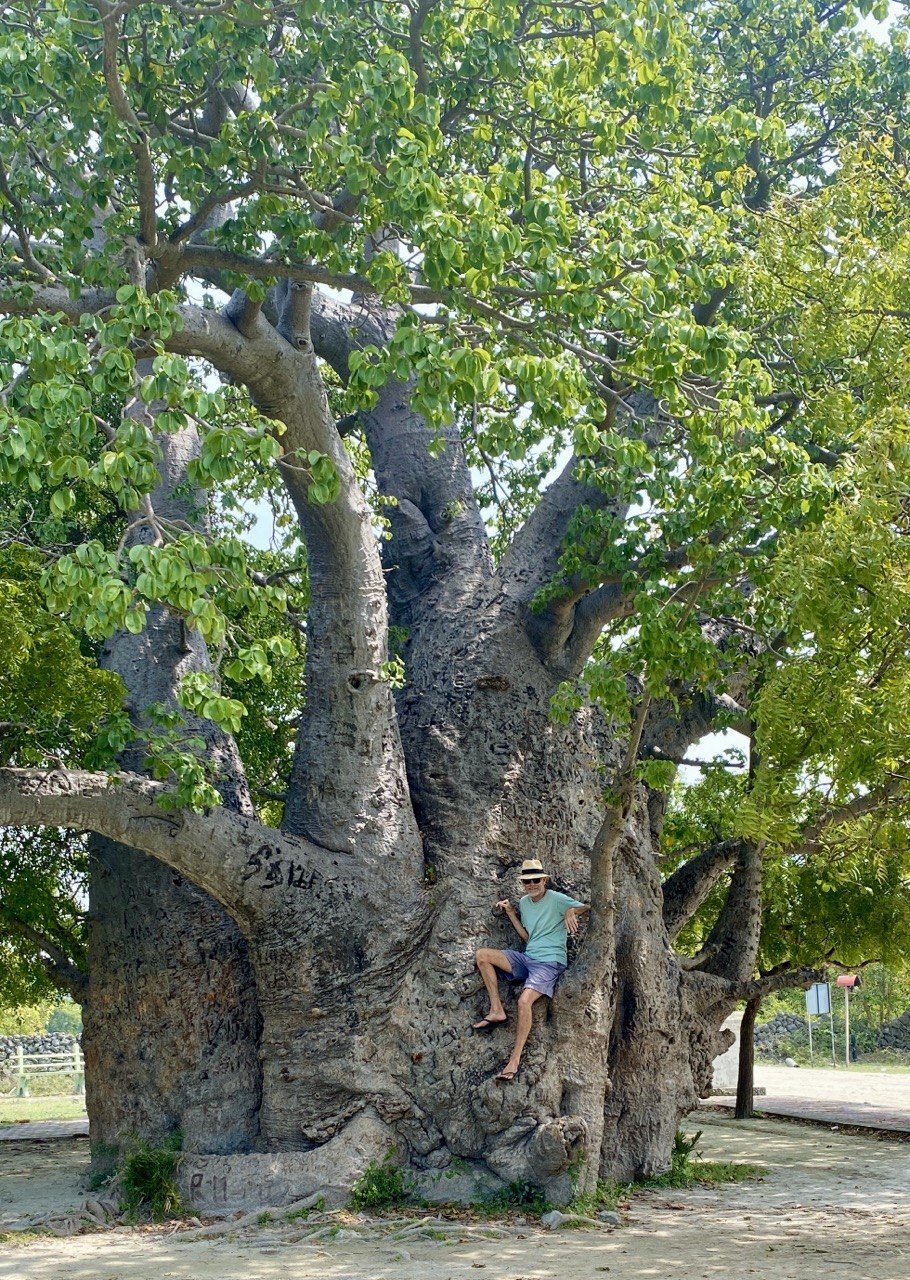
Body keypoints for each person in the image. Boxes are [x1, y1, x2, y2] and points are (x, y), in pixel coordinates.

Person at [472, 858, 590, 1082]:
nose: (532, 884)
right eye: (527, 881)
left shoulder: (556, 899)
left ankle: (514, 1060)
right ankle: (496, 1009)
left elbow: (586, 906)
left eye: (536, 880)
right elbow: (528, 937)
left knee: (524, 1002)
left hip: (550, 962)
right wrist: (510, 914)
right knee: (483, 955)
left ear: (544, 880)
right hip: (528, 957)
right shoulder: (525, 903)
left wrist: (569, 912)